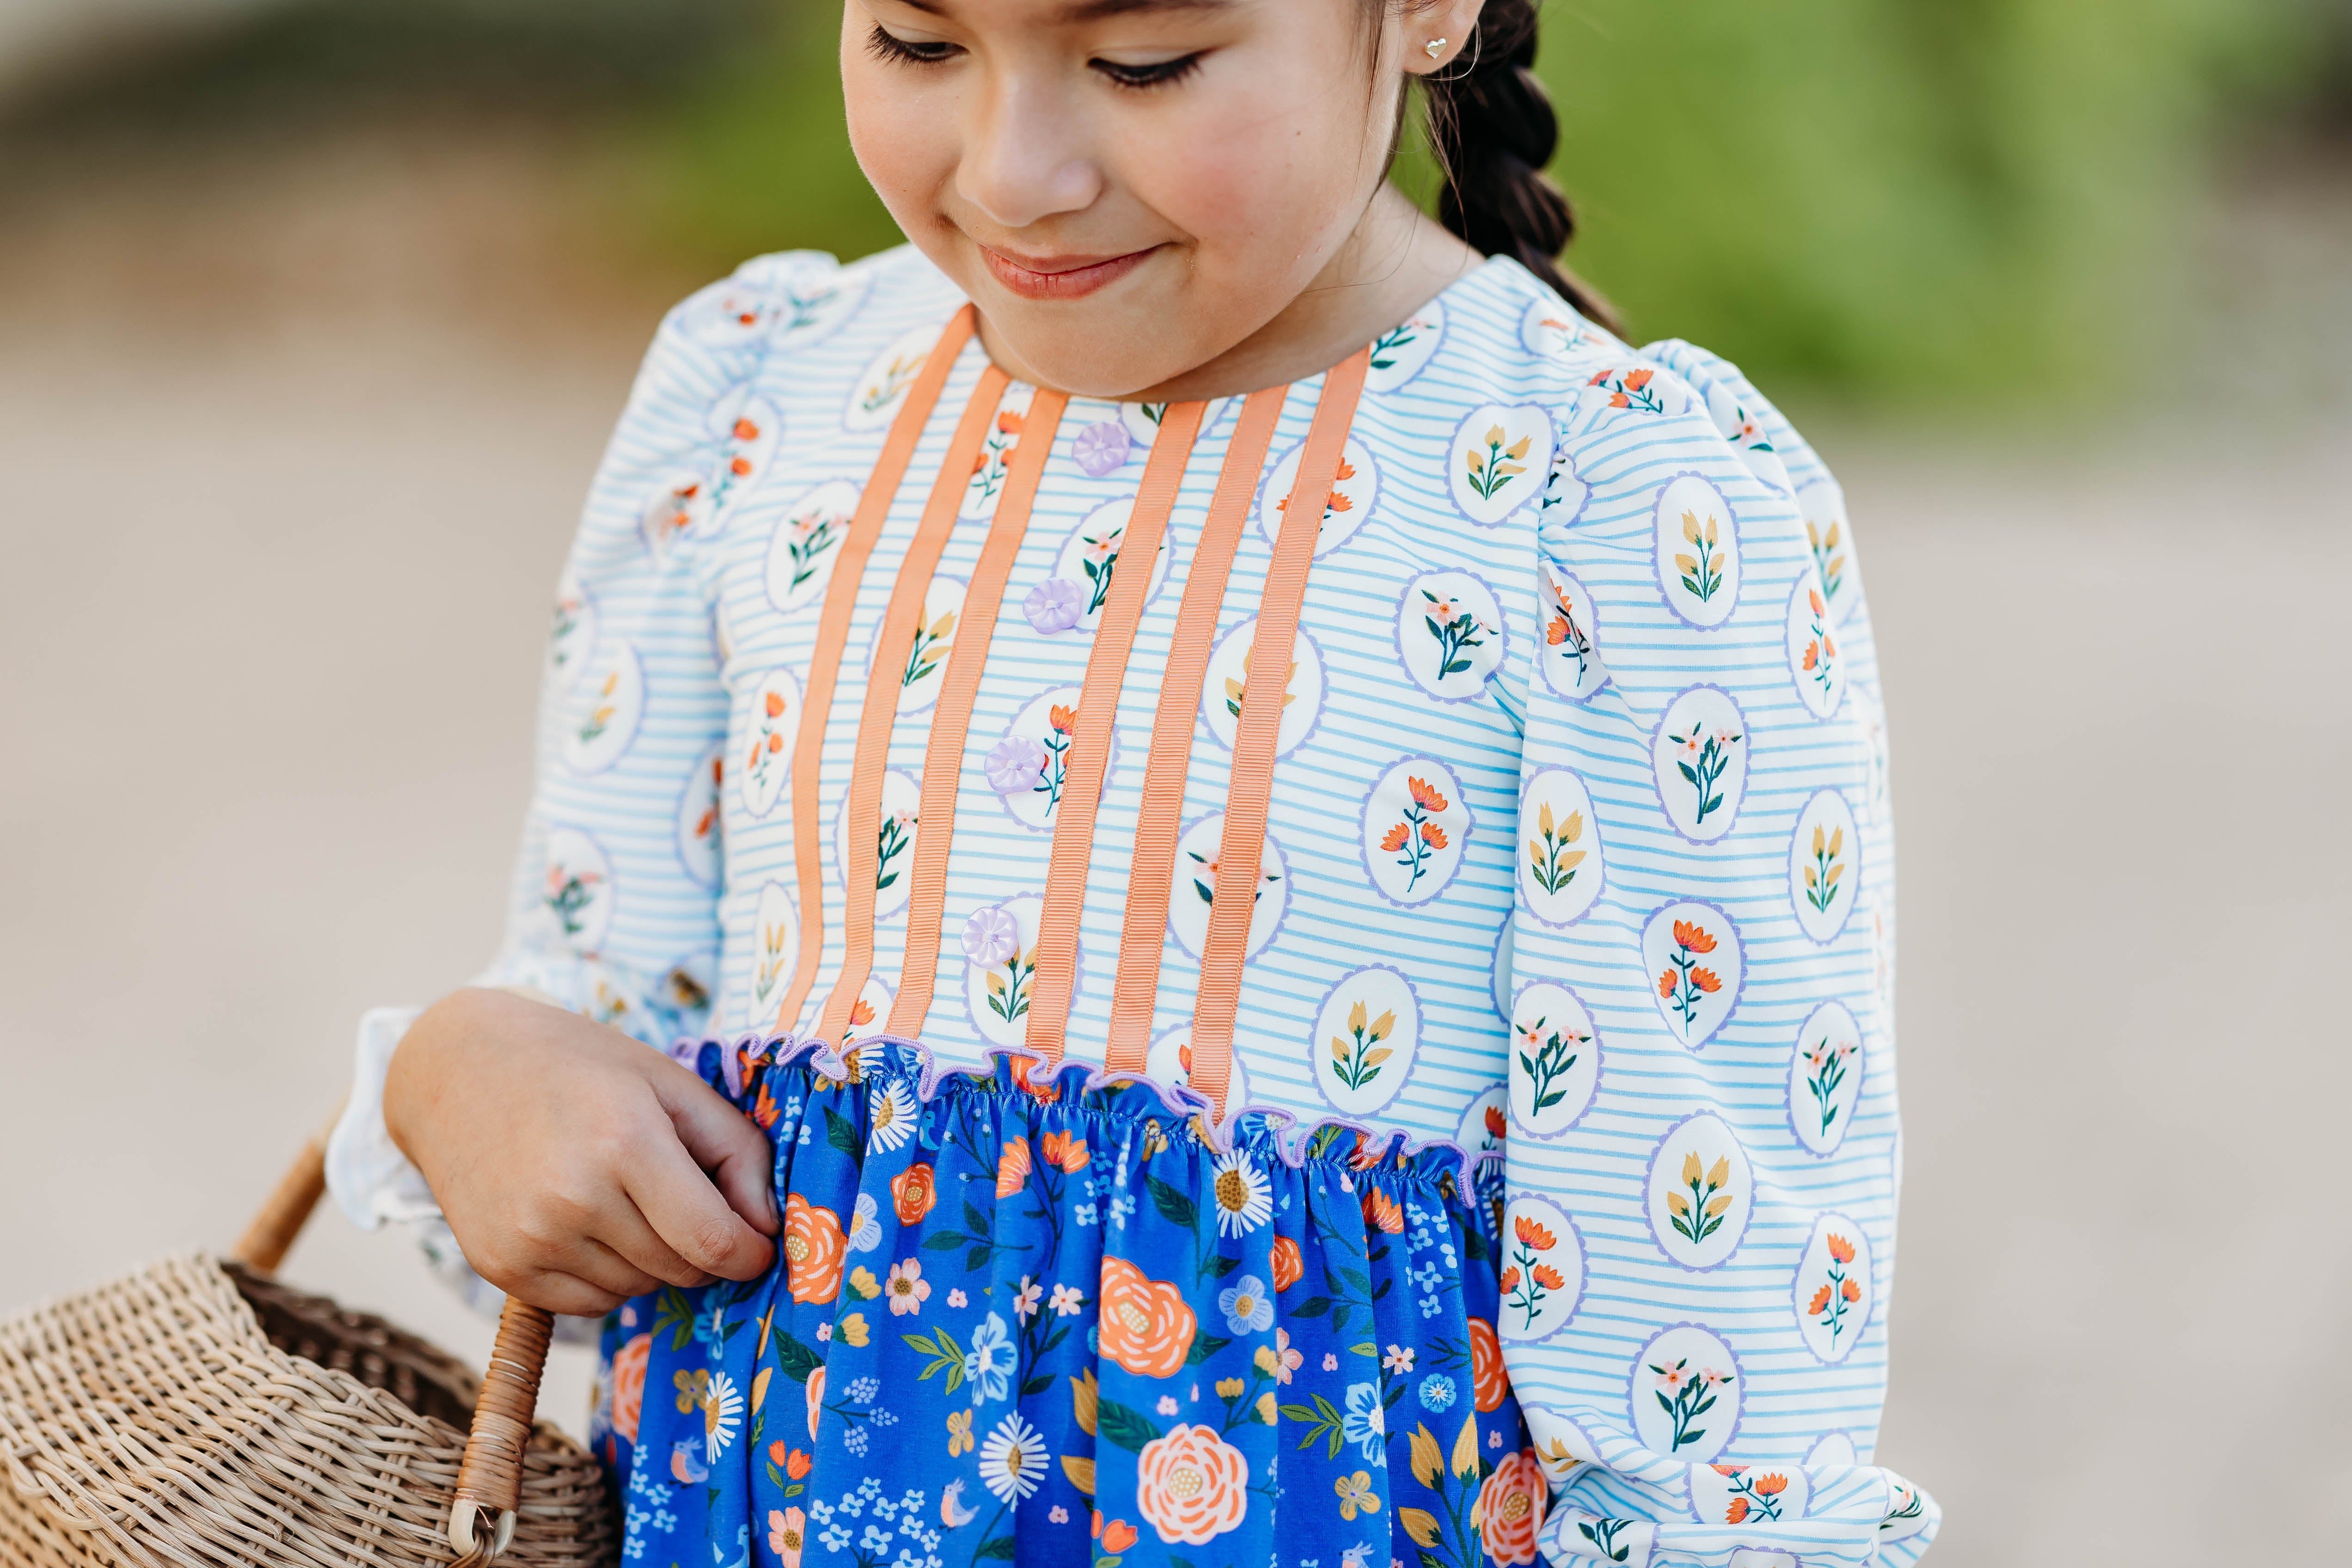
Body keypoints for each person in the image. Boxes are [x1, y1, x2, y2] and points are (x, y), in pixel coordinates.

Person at [326, 2, 1938, 1563]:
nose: (1016, 169)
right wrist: (464, 1078)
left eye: (1143, 61)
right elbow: (593, 1038)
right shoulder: (759, 401)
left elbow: (1717, 1331)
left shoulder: (1613, 505)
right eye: (917, 41)